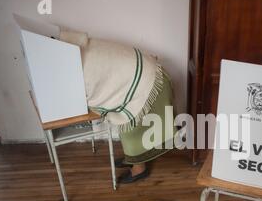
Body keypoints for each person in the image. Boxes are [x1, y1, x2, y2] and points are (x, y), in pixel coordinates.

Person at [59, 30, 176, 183]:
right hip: (145, 75)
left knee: (133, 129)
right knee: (126, 124)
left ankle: (139, 168)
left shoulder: (77, 63)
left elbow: (96, 92)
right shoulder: (78, 48)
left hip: (150, 83)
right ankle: (133, 158)